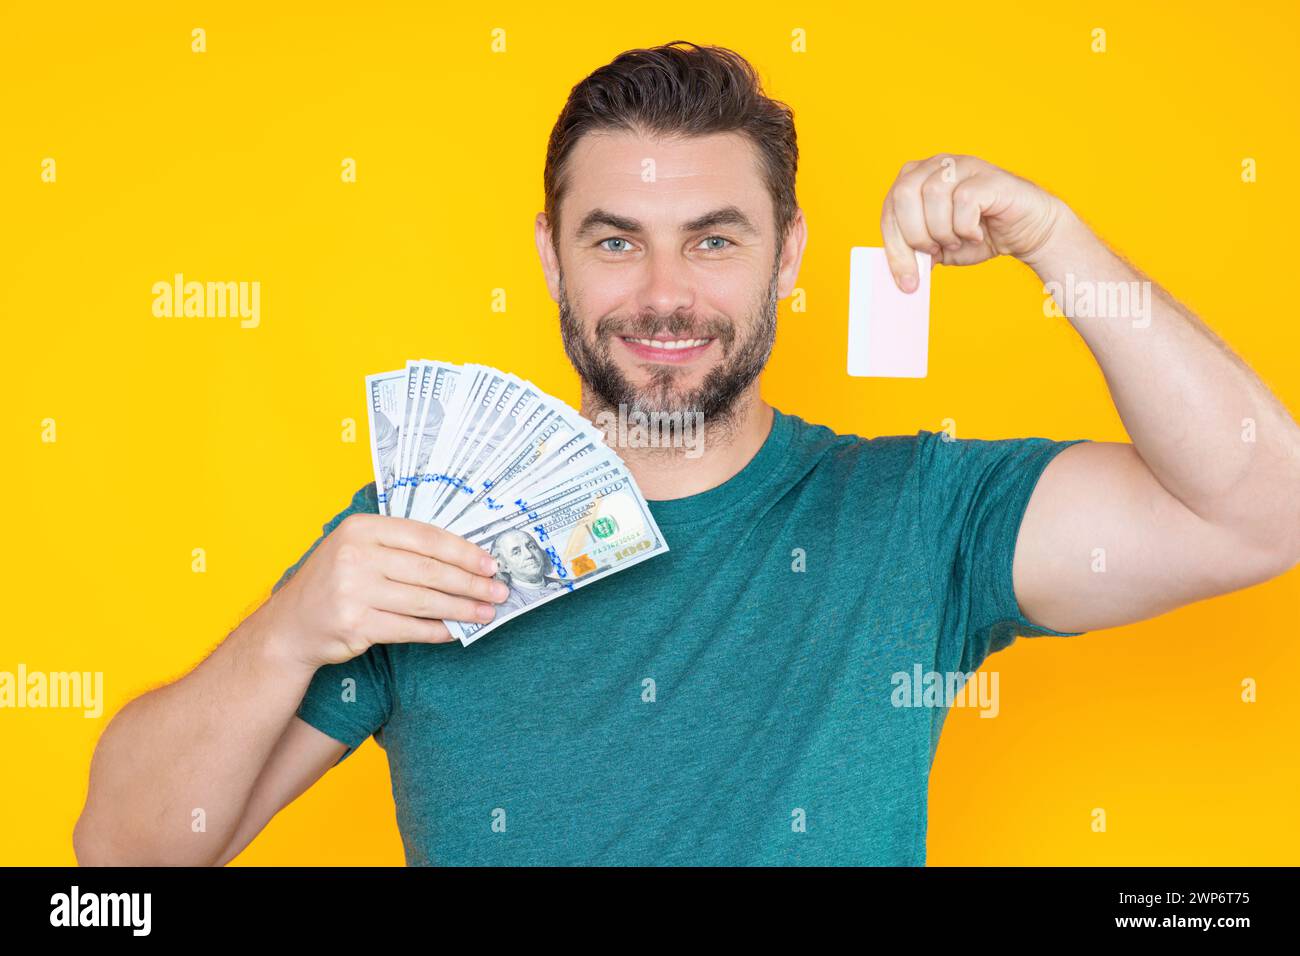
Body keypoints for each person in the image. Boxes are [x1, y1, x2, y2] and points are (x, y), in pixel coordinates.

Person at [74, 41, 1300, 866]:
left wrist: (1057, 241)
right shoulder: (417, 543)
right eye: (616, 242)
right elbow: (121, 863)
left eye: (713, 241)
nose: (664, 295)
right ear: (552, 258)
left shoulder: (918, 515)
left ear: (789, 254)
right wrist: (291, 624)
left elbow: (1263, 510)